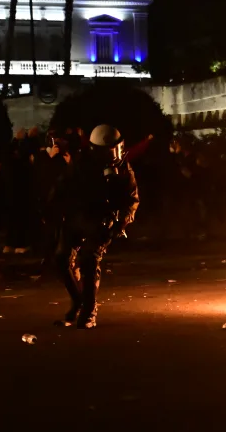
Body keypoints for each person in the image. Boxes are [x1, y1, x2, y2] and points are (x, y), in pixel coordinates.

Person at [53, 125, 139, 329]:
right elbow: (62, 186)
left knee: (90, 259)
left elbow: (132, 200)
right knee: (61, 258)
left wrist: (121, 222)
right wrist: (54, 210)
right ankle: (78, 301)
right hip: (77, 217)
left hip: (101, 220)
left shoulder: (124, 169)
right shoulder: (81, 164)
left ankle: (89, 311)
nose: (115, 153)